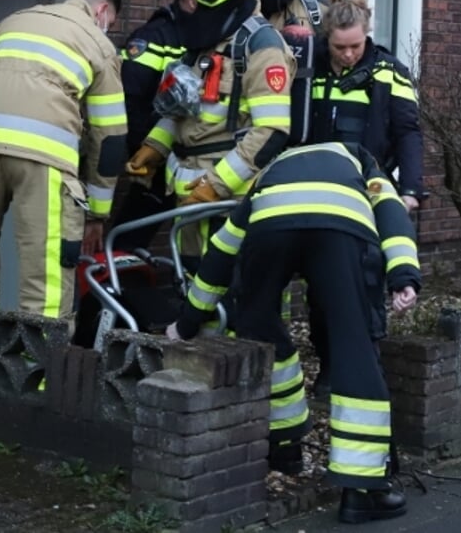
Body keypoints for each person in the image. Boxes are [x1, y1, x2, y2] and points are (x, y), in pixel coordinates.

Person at [165, 141, 421, 525]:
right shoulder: (361, 158)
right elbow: (391, 212)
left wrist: (186, 324)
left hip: (272, 222)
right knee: (352, 342)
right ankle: (363, 491)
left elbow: (222, 250)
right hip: (340, 226)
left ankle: (283, 448)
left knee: (260, 329)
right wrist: (404, 276)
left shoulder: (272, 171)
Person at [0, 0, 128, 329]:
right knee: (44, 271)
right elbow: (110, 137)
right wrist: (98, 212)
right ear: (103, 11)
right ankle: (37, 371)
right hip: (43, 158)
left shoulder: (13, 22)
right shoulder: (98, 42)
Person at [125, 0, 293, 249]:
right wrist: (152, 149)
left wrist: (214, 186)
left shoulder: (262, 45)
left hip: (230, 207)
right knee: (191, 289)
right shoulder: (206, 42)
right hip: (191, 198)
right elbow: (182, 108)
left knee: (225, 293)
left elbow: (272, 131)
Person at [305, 0, 425, 396]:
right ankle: (328, 369)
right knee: (320, 285)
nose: (348, 55)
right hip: (317, 192)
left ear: (366, 34)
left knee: (366, 282)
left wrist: (409, 189)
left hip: (367, 192)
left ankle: (365, 367)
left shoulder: (391, 72)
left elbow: (409, 133)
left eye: (355, 45)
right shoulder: (310, 67)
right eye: (340, 47)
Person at [108, 0, 197, 247]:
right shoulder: (155, 36)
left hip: (188, 157)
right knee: (130, 238)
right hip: (157, 159)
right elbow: (130, 101)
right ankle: (111, 285)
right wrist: (145, 154)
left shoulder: (203, 35)